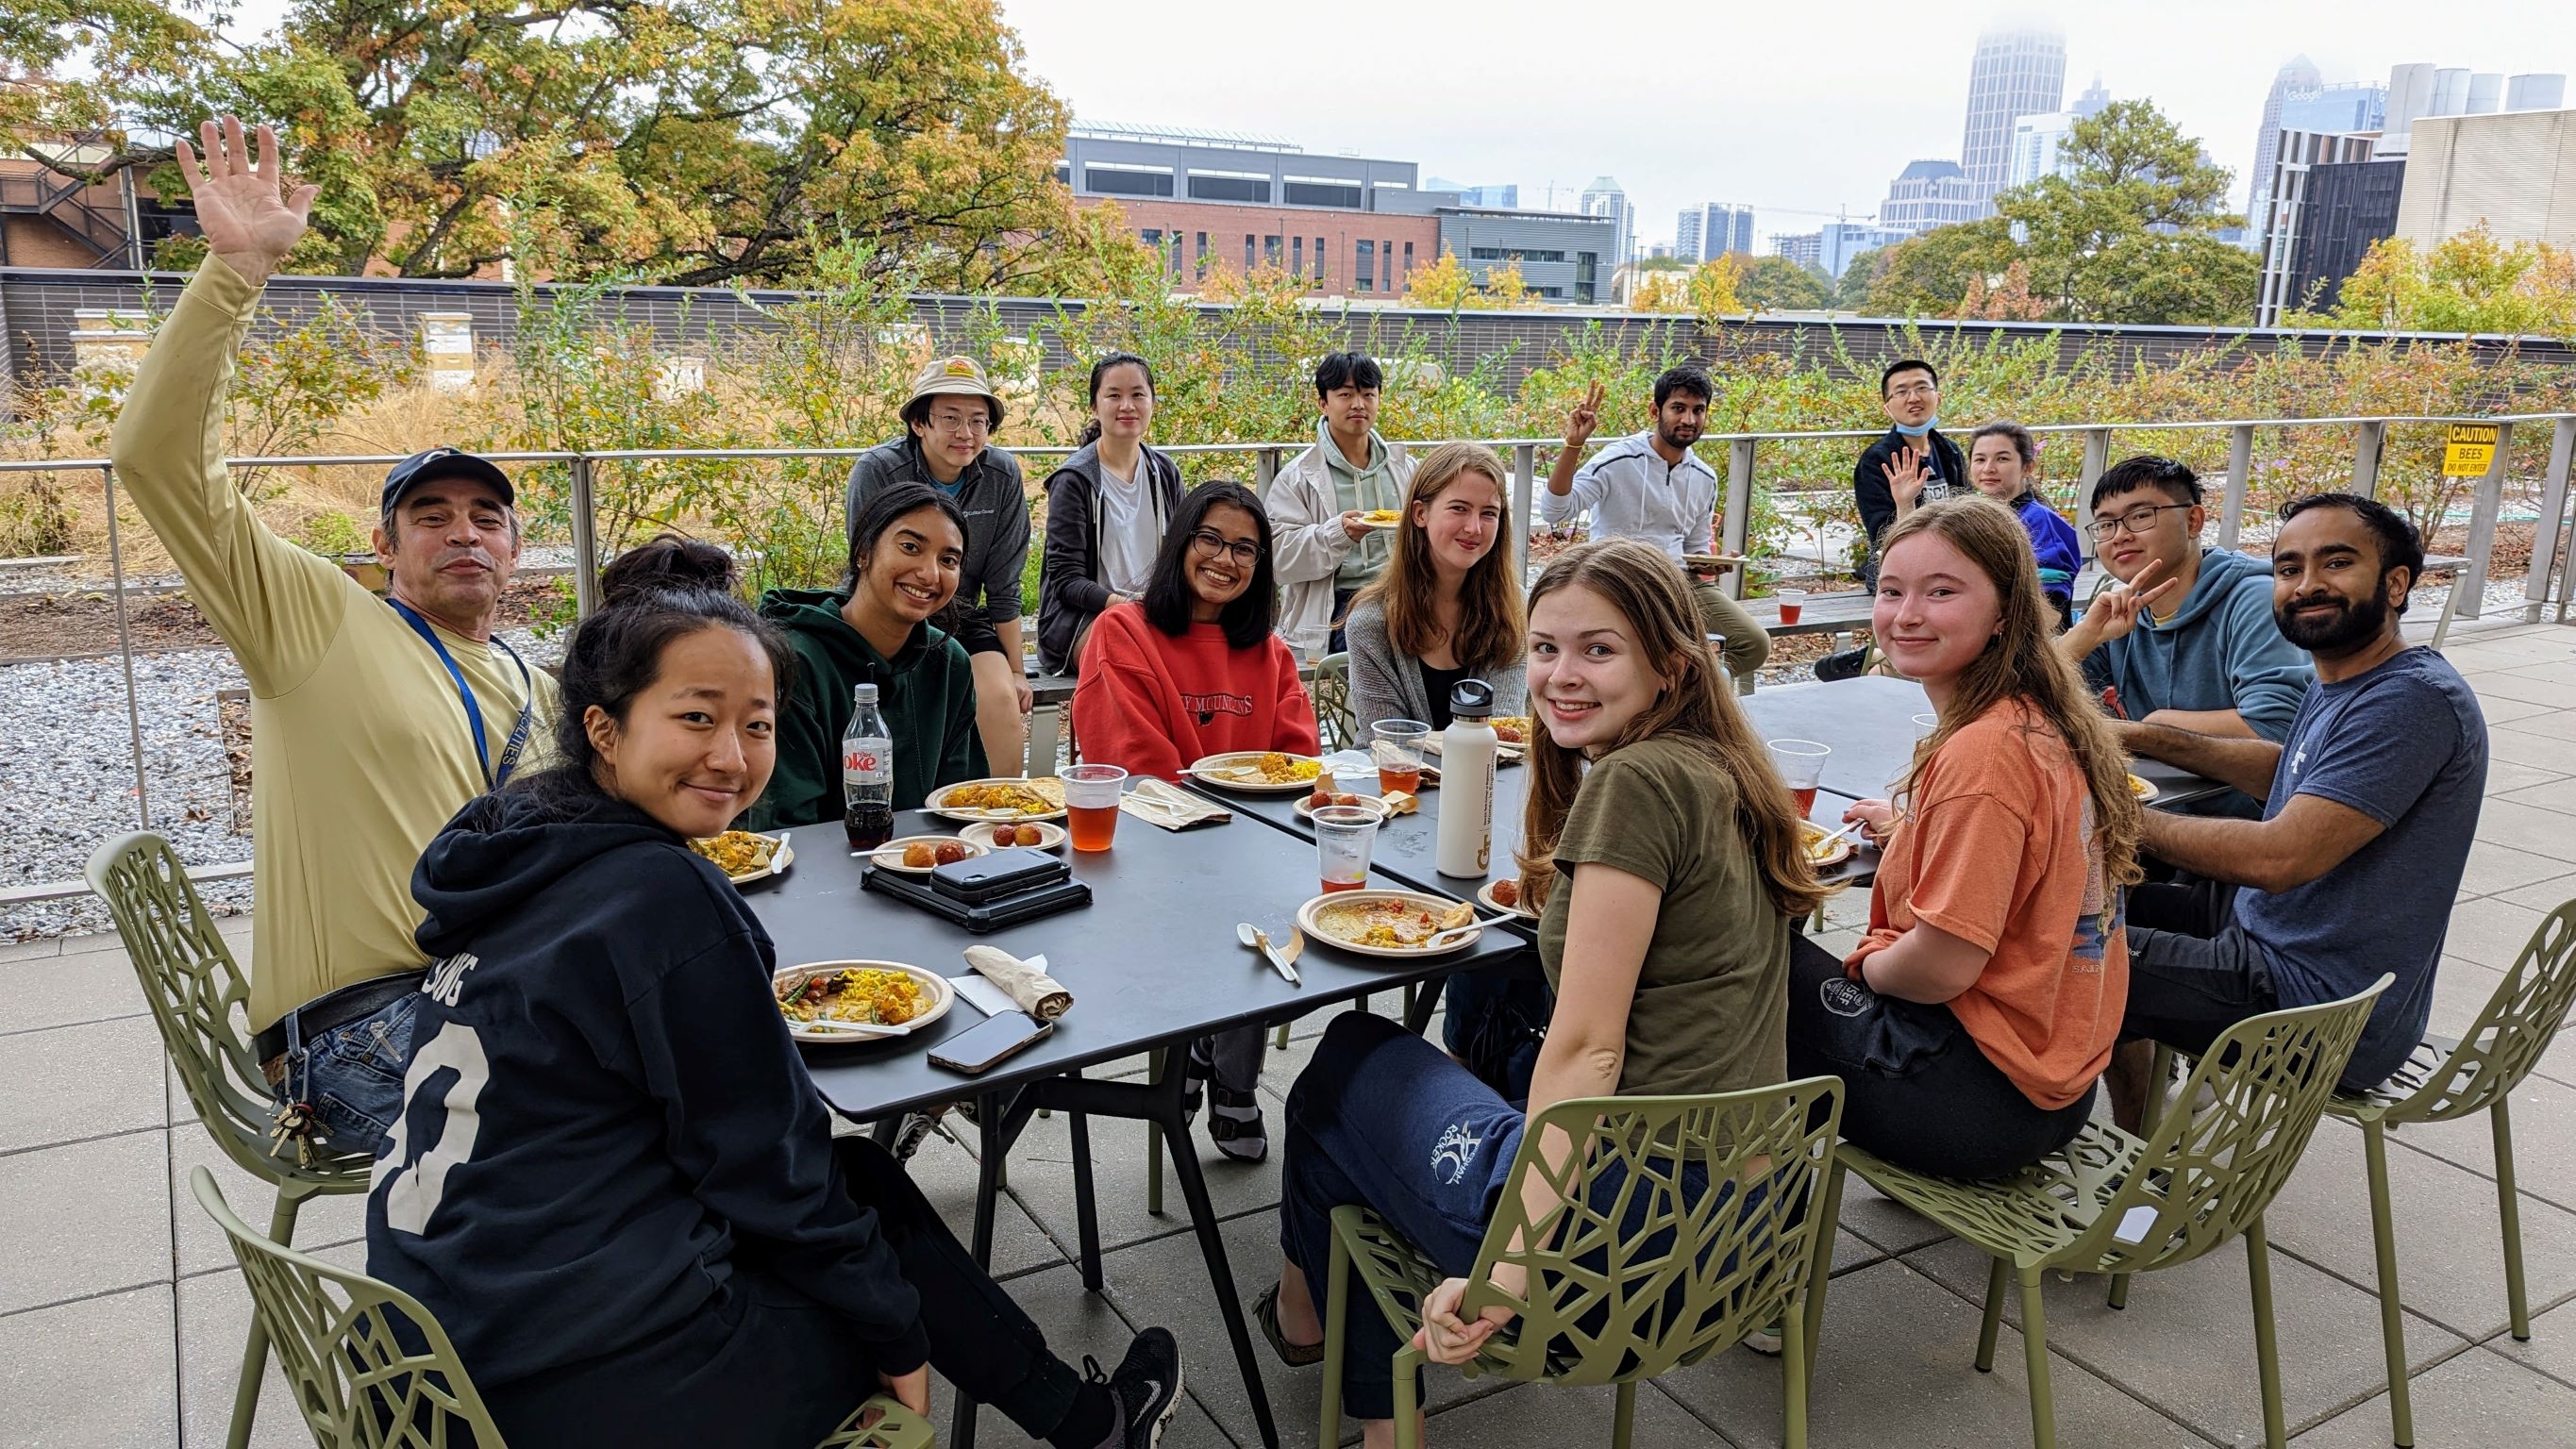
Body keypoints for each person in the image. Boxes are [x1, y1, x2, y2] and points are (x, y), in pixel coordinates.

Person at [365, 538, 1181, 1449]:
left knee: (860, 1176)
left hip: (417, 1354)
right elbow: (764, 1160)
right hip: (562, 1384)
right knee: (862, 1272)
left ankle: (1084, 1424)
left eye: (757, 725)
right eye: (696, 718)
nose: (730, 756)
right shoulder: (659, 897)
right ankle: (1085, 1423)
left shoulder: (517, 849)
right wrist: (894, 1332)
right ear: (604, 728)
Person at [1257, 538, 1828, 1449]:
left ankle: (1316, 1335)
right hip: (1740, 1230)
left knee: (1346, 1066)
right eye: (1548, 649)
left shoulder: (1636, 783)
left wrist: (1510, 1273)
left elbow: (1590, 1049)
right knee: (1461, 1035)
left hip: (1623, 1248)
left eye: (1599, 650)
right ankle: (1319, 1333)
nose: (1562, 676)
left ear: (1672, 665)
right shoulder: (1729, 769)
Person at [104, 118, 560, 1157]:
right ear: (384, 546)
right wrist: (235, 273)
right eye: (430, 517)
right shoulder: (312, 619)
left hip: (491, 990)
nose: (463, 533)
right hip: (359, 1032)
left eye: (486, 518)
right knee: (636, 1120)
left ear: (516, 549)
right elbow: (154, 458)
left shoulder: (534, 683)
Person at [1787, 496, 2142, 1180]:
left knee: (1750, 959)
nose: (1906, 614)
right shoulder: (2038, 718)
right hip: (2055, 1092)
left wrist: (1865, 965)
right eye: (1892, 591)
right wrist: (1911, 832)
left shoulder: (1983, 756)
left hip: (1971, 1102)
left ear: (2006, 610)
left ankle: (1733, 1195)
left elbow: (1941, 969)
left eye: (1941, 592)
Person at [2104, 493, 2487, 1126]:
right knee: (2072, 903)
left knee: (2060, 956)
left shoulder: (2409, 701)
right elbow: (2288, 769)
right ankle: (2147, 1122)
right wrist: (2145, 736)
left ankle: (2131, 1156)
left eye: (2336, 563)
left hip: (2318, 1008)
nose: (2307, 585)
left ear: (2396, 584)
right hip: (2275, 935)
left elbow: (2280, 858)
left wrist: (2111, 817)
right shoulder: (2349, 676)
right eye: (2289, 568)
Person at [1073, 481, 1321, 1162]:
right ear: (1180, 542)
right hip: (1151, 854)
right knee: (1240, 915)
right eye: (1209, 539)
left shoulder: (1269, 651)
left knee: (1310, 924)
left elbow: (1299, 761)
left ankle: (1213, 1057)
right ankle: (1222, 1070)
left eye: (1244, 548)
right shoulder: (1123, 631)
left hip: (1252, 851)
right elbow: (1134, 768)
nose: (1224, 559)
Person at [1342, 441, 1545, 1096]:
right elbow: (1386, 749)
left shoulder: (1511, 608)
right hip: (1403, 822)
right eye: (1460, 508)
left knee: (1531, 898)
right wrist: (1448, 746)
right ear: (1421, 513)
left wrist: (1439, 745)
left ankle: (1506, 1062)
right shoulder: (1372, 619)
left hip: (1493, 803)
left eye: (1490, 513)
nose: (1475, 527)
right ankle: (1474, 1060)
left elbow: (1503, 739)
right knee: (1484, 905)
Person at [2058, 456, 2317, 814]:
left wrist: (2154, 729)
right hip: (2160, 812)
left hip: (2246, 825)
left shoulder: (2254, 600)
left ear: (2193, 521)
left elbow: (2275, 729)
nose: (2120, 535)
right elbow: (2026, 692)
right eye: (2105, 524)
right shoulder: (2122, 610)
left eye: (2140, 516)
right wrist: (2085, 635)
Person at [743, 483, 986, 827]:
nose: (930, 574)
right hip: (812, 857)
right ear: (863, 551)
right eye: (910, 547)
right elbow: (783, 824)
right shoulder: (794, 661)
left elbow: (963, 802)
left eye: (948, 560)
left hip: (925, 855)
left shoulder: (949, 663)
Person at [845, 355, 1033, 774]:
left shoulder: (1001, 475)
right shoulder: (879, 471)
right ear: (919, 422)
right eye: (950, 418)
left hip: (958, 614)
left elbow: (1004, 583)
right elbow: (864, 563)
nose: (965, 433)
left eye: (978, 421)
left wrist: (1017, 671)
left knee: (1000, 697)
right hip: (883, 616)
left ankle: (1001, 807)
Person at [1537, 367, 1771, 683]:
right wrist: (1573, 445)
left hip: (1678, 580)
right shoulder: (1618, 460)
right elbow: (1555, 511)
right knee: (1644, 649)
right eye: (1678, 408)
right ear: (1655, 411)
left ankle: (1688, 688)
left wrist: (1710, 563)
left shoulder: (1704, 477)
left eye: (1698, 410)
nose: (1688, 419)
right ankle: (1670, 688)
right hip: (1618, 578)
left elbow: (1695, 546)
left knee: (1753, 644)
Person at [1037, 353, 1183, 675]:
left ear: (1152, 402)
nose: (1127, 406)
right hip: (1084, 618)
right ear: (1094, 405)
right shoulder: (1074, 480)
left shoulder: (1165, 473)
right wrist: (1125, 606)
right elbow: (1066, 580)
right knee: (1132, 653)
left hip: (1152, 614)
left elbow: (1182, 556)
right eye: (1114, 395)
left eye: (1138, 395)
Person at [1265, 352, 1415, 657]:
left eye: (1368, 394)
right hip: (1339, 604)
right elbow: (1276, 557)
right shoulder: (1298, 477)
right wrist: (1338, 534)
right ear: (1323, 403)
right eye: (1345, 395)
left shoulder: (1406, 469)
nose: (1358, 404)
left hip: (1403, 593)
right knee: (1373, 635)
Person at [1851, 358, 1965, 584]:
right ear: (1887, 408)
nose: (1913, 398)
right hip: (1900, 571)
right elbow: (1882, 536)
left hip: (1952, 562)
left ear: (1938, 398)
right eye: (1901, 392)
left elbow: (1965, 512)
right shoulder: (1876, 461)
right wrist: (1905, 504)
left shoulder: (1950, 451)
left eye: (1922, 388)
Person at [1965, 421, 2083, 628]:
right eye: (1980, 459)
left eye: (2002, 459)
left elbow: (2050, 614)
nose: (1988, 468)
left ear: (2028, 467)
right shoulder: (1975, 518)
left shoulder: (2041, 524)